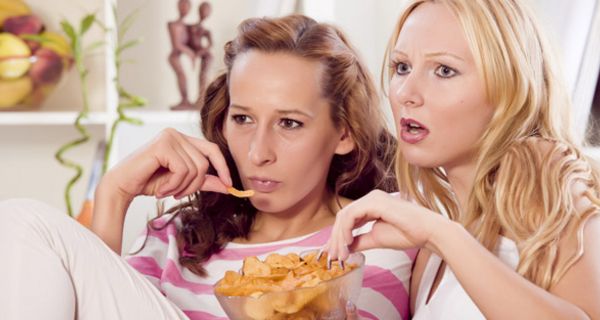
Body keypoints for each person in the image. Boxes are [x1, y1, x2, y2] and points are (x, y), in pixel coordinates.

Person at [0, 15, 415, 320]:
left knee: (23, 219)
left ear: (343, 132)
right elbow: (97, 303)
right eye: (242, 119)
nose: (257, 153)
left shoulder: (379, 234)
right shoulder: (178, 239)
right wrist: (115, 194)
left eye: (289, 123)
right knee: (17, 222)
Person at [324, 0, 600, 319]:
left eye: (444, 70)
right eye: (402, 67)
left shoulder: (556, 193)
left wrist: (440, 234)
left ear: (508, 87)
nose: (405, 93)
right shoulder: (437, 237)